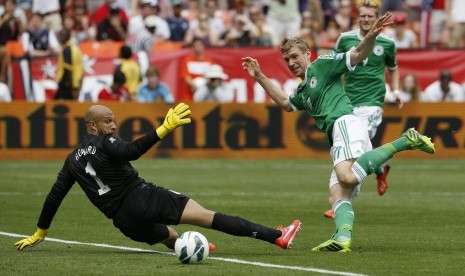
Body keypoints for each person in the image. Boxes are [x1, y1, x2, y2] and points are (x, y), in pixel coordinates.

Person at [242, 12, 435, 252]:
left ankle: (405, 140)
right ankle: (343, 238)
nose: (291, 63)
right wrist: (259, 76)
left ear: (307, 54)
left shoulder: (322, 65)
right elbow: (284, 102)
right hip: (340, 135)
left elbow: (357, 54)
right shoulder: (303, 91)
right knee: (336, 195)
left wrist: (372, 35)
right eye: (287, 60)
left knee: (346, 177)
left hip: (344, 123)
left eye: (294, 57)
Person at [14, 103, 301, 252]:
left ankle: (192, 247)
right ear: (92, 125)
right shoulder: (105, 142)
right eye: (107, 121)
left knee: (171, 237)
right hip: (141, 197)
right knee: (207, 216)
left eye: (113, 120)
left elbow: (55, 195)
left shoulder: (71, 160)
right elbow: (132, 150)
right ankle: (277, 237)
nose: (113, 126)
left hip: (123, 222)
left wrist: (41, 232)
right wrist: (163, 129)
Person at [324, 1, 404, 220]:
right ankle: (380, 168)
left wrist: (395, 91)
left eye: (370, 16)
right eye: (363, 16)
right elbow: (334, 67)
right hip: (348, 102)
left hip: (372, 103)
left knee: (353, 150)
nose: (366, 19)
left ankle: (341, 199)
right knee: (355, 146)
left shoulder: (387, 43)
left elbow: (393, 69)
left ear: (377, 17)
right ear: (357, 17)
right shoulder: (345, 39)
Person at [54, 28, 83, 100]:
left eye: (62, 35)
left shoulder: (67, 50)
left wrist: (72, 88)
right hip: (74, 83)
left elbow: (68, 70)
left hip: (67, 84)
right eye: (60, 35)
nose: (60, 37)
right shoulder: (75, 48)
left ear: (68, 36)